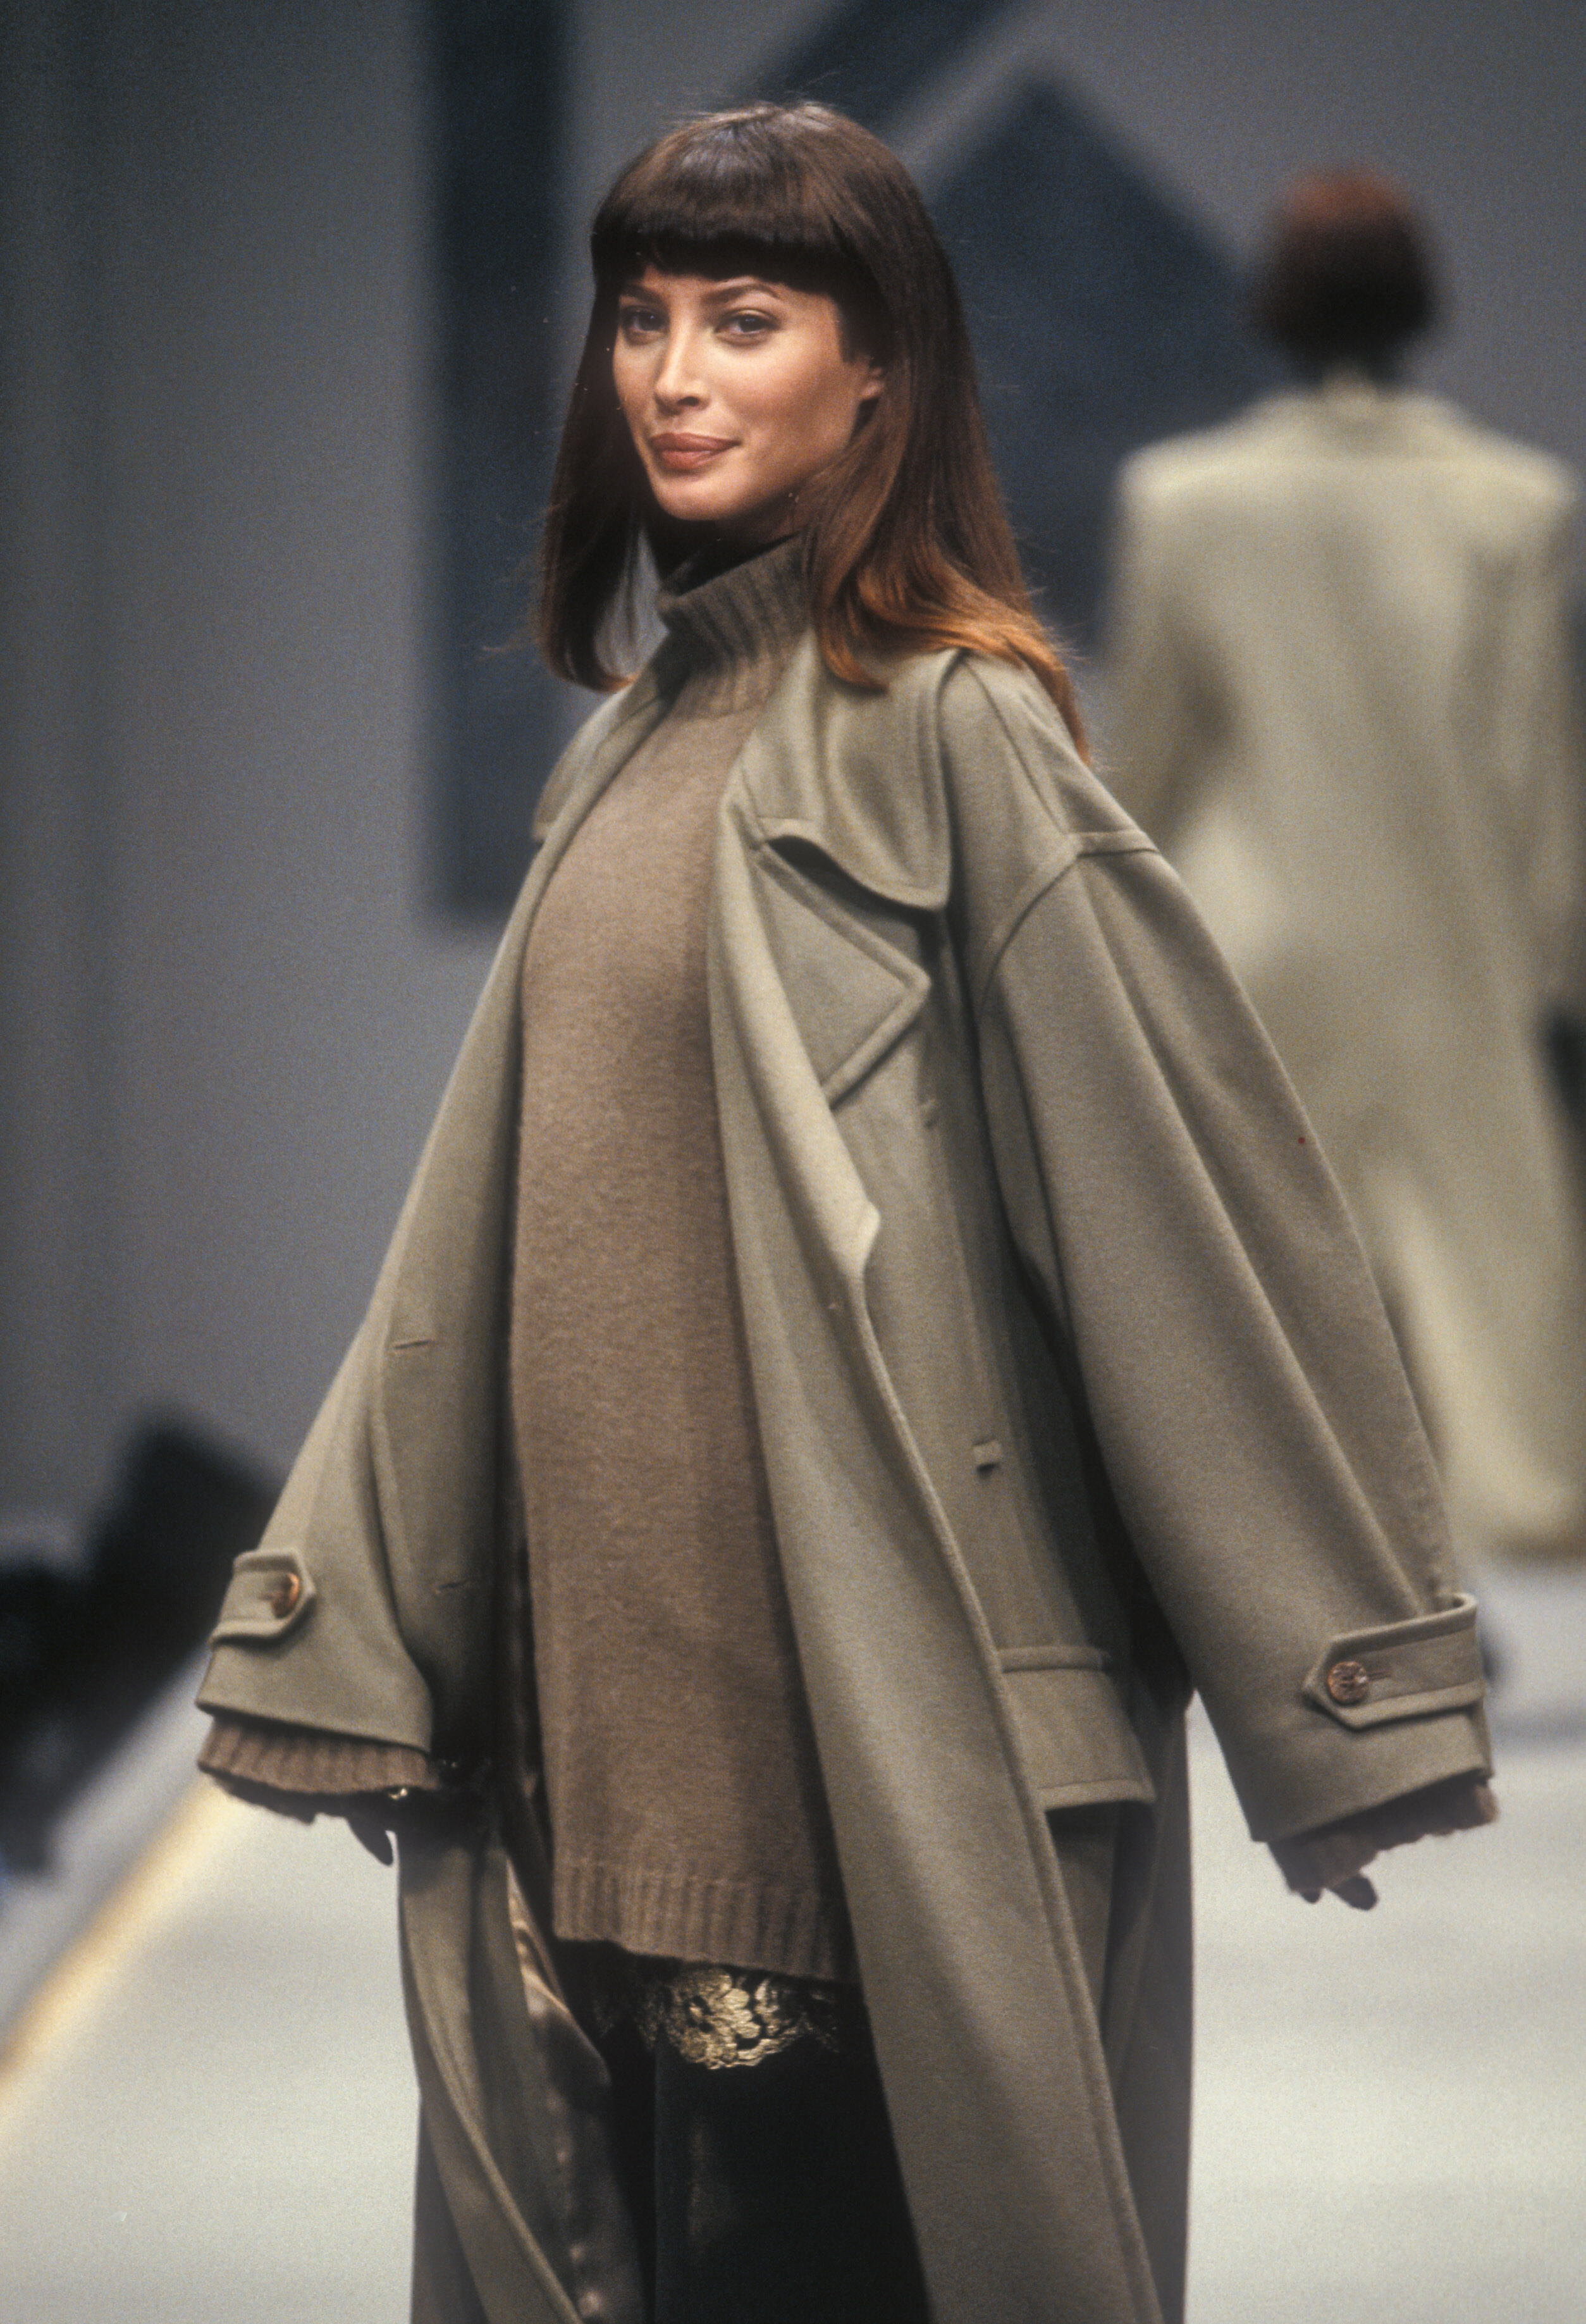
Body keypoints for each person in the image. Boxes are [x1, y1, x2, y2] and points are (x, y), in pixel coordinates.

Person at [197, 111, 1496, 2324]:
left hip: (834, 1788)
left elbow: (1170, 1211)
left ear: (878, 366)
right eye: (640, 319)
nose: (672, 374)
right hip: (580, 1769)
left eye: (745, 319)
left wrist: (1340, 1690)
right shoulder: (629, 747)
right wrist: (344, 1626)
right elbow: (474, 1250)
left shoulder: (952, 731)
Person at [1106, 169, 1586, 1571]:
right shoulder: (1513, 503)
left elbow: (1152, 756)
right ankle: (1470, 1588)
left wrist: (1111, 935)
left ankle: (1285, 1572)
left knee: (1267, 1293)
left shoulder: (1185, 499)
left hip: (1254, 944)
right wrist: (1555, 970)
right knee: (1488, 1308)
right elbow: (1537, 768)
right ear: (1420, 303)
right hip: (1451, 942)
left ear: (1278, 306)